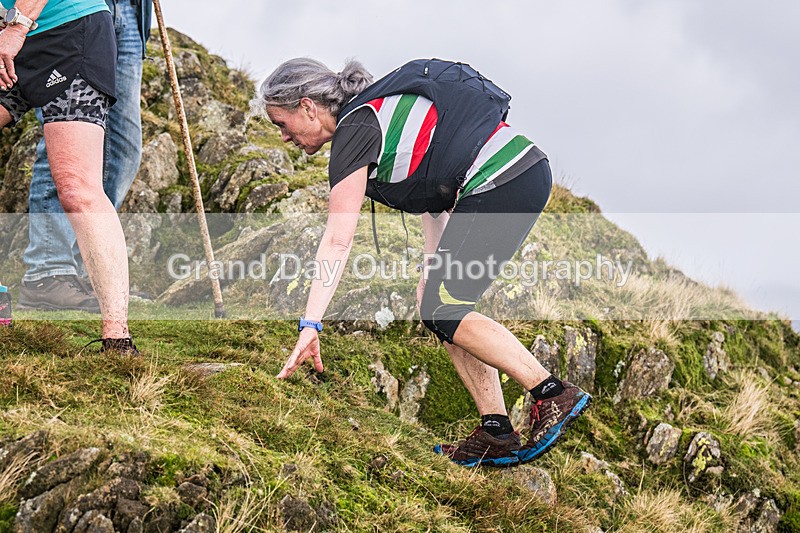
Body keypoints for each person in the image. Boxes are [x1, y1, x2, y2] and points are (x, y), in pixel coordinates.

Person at [255, 58, 591, 466]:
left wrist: (310, 325)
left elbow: (338, 239)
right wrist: (430, 285)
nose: (285, 137)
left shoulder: (356, 128)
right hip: (516, 175)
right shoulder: (371, 118)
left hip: (501, 180)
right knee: (437, 306)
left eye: (282, 124)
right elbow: (435, 199)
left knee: (442, 307)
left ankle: (552, 393)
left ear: (307, 106)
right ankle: (496, 431)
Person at [0, 0, 136, 354]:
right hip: (11, 37)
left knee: (77, 187)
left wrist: (16, 27)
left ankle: (117, 339)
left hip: (69, 33)